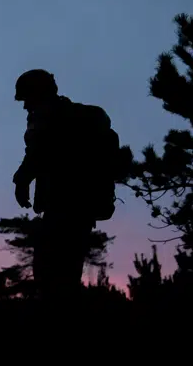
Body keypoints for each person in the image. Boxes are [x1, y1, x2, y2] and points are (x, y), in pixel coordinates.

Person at [11, 69, 123, 314]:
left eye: (27, 99)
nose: (25, 107)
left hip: (64, 211)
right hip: (78, 212)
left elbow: (38, 152)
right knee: (64, 278)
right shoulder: (71, 117)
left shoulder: (51, 119)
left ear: (38, 93)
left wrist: (21, 180)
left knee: (53, 279)